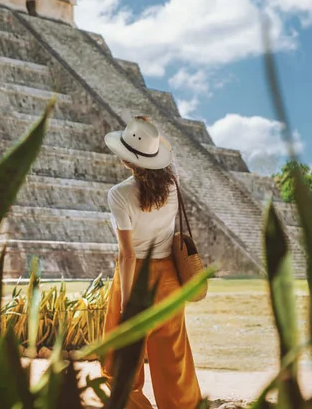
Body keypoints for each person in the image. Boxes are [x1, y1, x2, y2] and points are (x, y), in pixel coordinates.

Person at [100, 115, 201, 409]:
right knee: (174, 360)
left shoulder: (119, 195)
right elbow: (167, 151)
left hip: (135, 278)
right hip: (169, 277)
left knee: (119, 363)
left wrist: (125, 304)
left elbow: (127, 254)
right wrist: (151, 134)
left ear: (126, 158)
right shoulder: (172, 184)